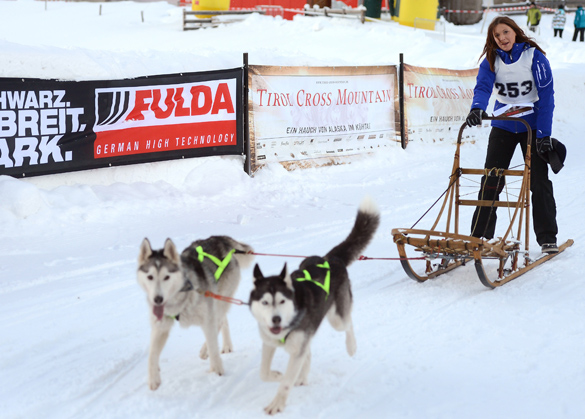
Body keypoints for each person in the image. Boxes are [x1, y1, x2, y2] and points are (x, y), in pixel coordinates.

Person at [465, 16, 559, 254]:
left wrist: (544, 134)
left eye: (506, 32)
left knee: (538, 181)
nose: (502, 38)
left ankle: (547, 237)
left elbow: (547, 96)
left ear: (515, 32)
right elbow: (484, 86)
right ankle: (480, 236)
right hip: (504, 125)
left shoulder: (534, 57)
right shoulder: (491, 60)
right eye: (497, 35)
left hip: (532, 126)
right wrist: (477, 107)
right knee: (491, 179)